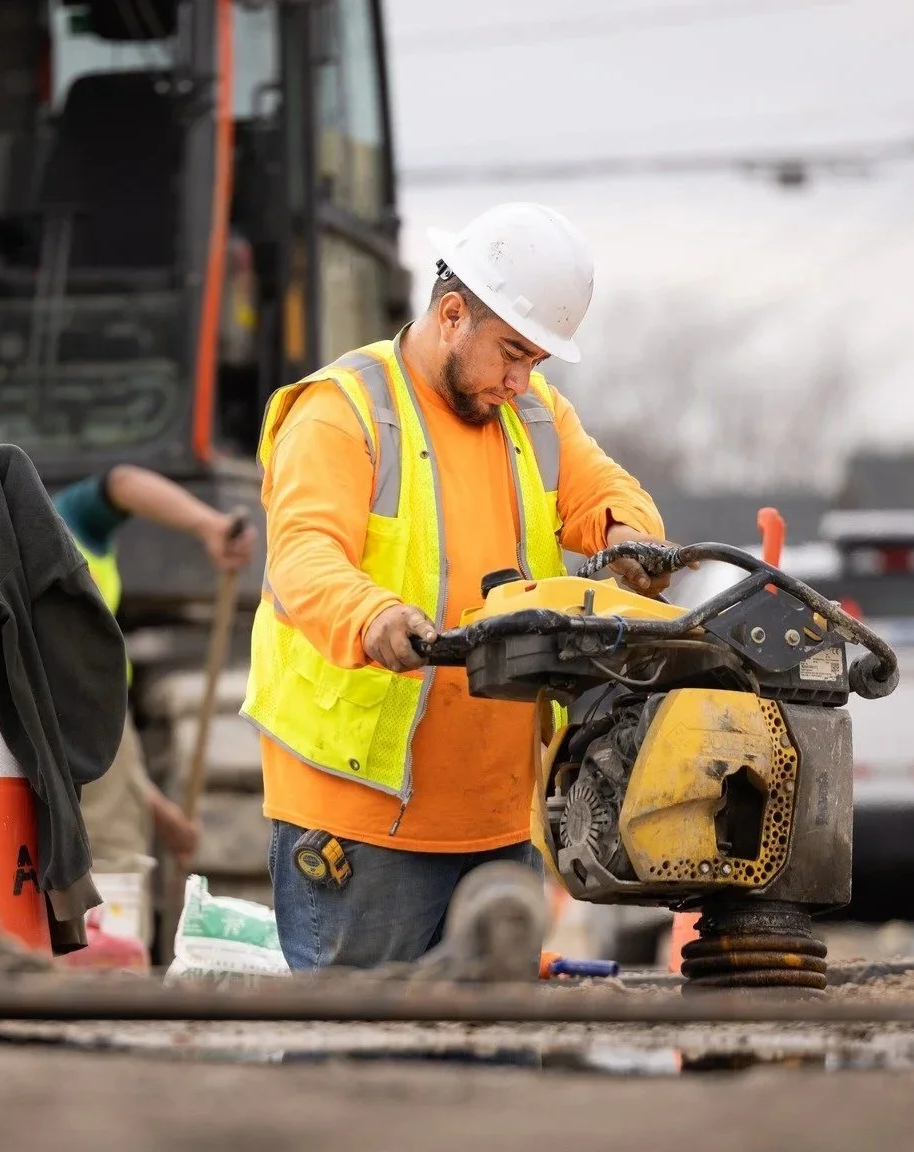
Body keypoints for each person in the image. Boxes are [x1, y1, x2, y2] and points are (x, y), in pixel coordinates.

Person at [240, 202, 670, 970]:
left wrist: (628, 535)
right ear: (450, 315)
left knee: (490, 1080)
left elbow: (604, 488)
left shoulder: (532, 415)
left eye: (536, 361)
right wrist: (371, 616)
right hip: (360, 824)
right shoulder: (344, 413)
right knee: (359, 1073)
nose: (519, 379)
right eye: (511, 353)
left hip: (499, 825)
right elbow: (302, 557)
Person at [54, 464, 257, 874]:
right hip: (88, 709)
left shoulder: (31, 538)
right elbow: (122, 482)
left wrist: (163, 816)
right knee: (111, 871)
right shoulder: (57, 527)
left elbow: (95, 765)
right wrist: (210, 525)